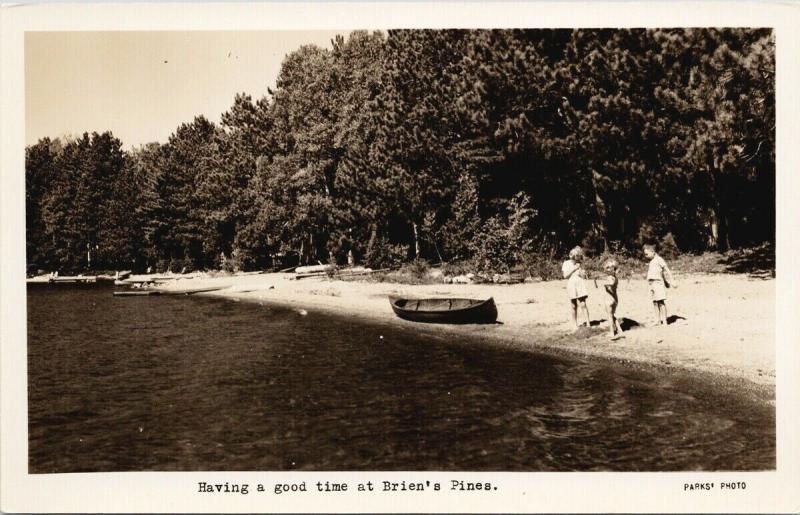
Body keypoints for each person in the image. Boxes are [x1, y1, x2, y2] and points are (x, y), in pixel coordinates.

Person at [643, 243, 676, 326]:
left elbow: (666, 270)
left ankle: (664, 321)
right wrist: (665, 281)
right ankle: (657, 320)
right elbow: (660, 273)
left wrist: (672, 280)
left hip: (658, 283)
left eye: (647, 254)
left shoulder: (659, 259)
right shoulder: (651, 261)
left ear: (653, 252)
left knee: (661, 302)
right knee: (654, 302)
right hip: (651, 284)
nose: (645, 256)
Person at [562, 246, 590, 330]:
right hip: (571, 285)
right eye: (574, 255)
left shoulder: (580, 263)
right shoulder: (566, 263)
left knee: (583, 304)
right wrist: (574, 269)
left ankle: (588, 323)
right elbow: (565, 276)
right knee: (573, 305)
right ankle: (575, 325)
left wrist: (583, 273)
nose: (575, 257)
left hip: (580, 284)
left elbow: (583, 276)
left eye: (577, 255)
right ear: (570, 255)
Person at [602, 258, 624, 339]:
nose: (606, 269)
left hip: (609, 299)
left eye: (607, 268)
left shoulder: (610, 277)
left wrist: (605, 284)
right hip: (615, 299)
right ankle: (620, 330)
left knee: (609, 316)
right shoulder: (615, 277)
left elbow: (611, 283)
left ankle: (612, 333)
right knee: (613, 315)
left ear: (612, 269)